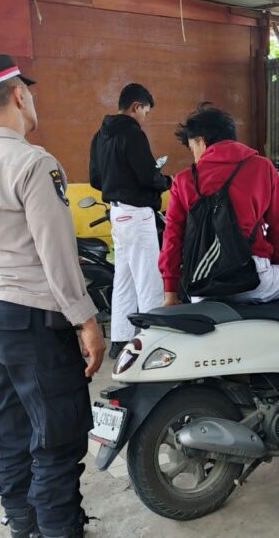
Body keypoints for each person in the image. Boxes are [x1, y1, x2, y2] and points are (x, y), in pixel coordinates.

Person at [0, 55, 107, 538]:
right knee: (56, 437)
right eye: (28, 92)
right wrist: (86, 321)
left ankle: (22, 525)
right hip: (33, 320)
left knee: (10, 434)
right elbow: (57, 253)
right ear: (18, 95)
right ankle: (58, 529)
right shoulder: (35, 163)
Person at [160, 104, 279, 313]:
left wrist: (170, 293)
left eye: (193, 149)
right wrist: (278, 262)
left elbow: (172, 238)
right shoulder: (263, 167)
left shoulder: (184, 180)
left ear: (201, 141)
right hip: (254, 277)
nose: (195, 157)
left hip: (203, 285)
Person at [89, 83, 171, 359]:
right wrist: (167, 181)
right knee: (149, 281)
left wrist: (118, 182)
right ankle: (153, 345)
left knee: (123, 281)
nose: (145, 117)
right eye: (145, 111)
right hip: (137, 215)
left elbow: (95, 179)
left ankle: (120, 340)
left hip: (117, 215)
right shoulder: (133, 134)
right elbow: (148, 177)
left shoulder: (100, 135)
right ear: (136, 106)